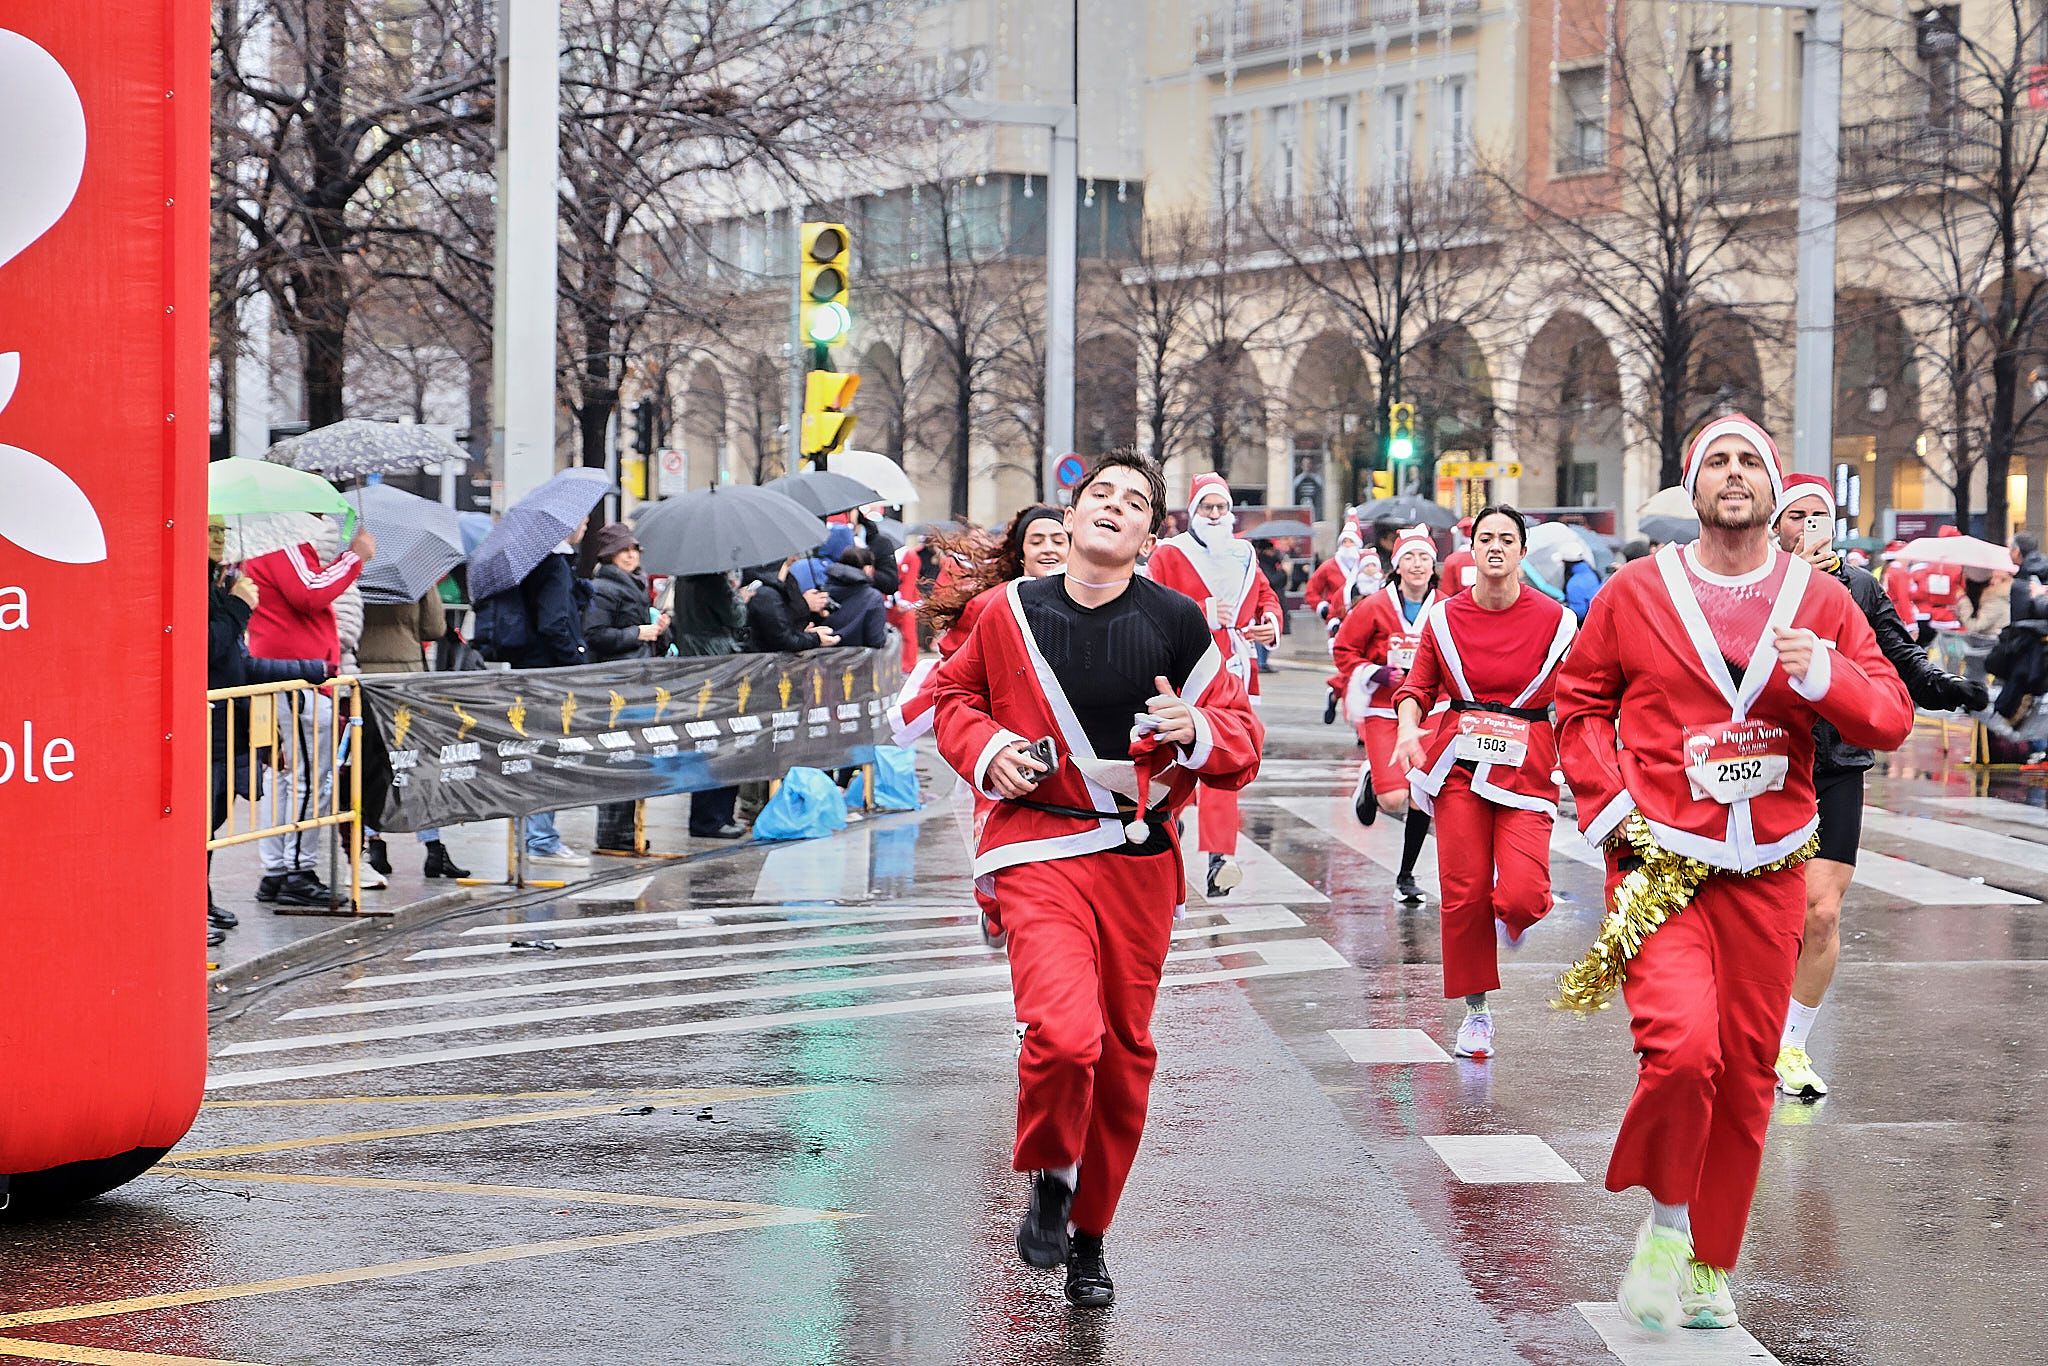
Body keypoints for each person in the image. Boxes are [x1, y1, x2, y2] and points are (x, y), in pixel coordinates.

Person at [1555, 414, 1913, 1333]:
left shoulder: (1821, 600)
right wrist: (1611, 803)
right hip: (1663, 865)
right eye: (1716, 460)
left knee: (1750, 1069)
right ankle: (1668, 1225)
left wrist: (1828, 676)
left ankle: (1713, 1262)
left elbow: (1889, 715)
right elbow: (1580, 705)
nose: (1733, 473)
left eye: (1749, 459)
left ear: (1773, 483)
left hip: (1770, 869)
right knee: (1682, 1051)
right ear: (1693, 486)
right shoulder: (1636, 591)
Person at [928, 451, 1262, 1309]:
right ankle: (1048, 1166)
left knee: (1122, 1058)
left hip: (1137, 861)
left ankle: (1092, 1236)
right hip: (1037, 850)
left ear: (1151, 534)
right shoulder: (1005, 613)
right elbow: (952, 703)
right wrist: (990, 749)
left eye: (1135, 502)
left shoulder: (1180, 623)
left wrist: (1197, 728)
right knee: (1064, 1038)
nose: (1114, 507)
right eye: (1099, 496)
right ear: (1069, 521)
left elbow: (1241, 743)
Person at [1764, 474, 1987, 1100]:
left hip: (1837, 758)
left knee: (1823, 909)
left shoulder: (1859, 585)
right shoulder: (1756, 585)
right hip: (1768, 761)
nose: (1808, 525)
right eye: (1796, 515)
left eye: (1819, 514)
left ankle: (1792, 1045)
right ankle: (1749, 1028)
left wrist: (1943, 686)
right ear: (1775, 525)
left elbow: (1897, 654)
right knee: (1769, 911)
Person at [1391, 507, 1575, 1058]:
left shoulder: (1558, 621)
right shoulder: (1445, 619)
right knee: (1464, 892)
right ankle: (1475, 1012)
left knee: (1521, 896)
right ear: (1471, 551)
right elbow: (1417, 687)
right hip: (1459, 765)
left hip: (1527, 764)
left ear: (1522, 552)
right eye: (1485, 538)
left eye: (1507, 539)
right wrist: (1406, 730)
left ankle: (1517, 916)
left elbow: (1580, 698)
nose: (1495, 547)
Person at [895, 505, 1069, 947]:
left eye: (1057, 539)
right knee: (995, 837)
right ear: (1020, 552)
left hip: (1067, 750)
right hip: (1000, 743)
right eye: (1037, 541)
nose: (1049, 548)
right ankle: (994, 910)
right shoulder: (994, 604)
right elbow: (954, 669)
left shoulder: (1098, 600)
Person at [1143, 472, 1281, 898]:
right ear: (1194, 511)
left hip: (1233, 671)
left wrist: (1268, 625)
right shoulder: (1170, 553)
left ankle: (1221, 857)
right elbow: (1151, 602)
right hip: (1186, 671)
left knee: (1227, 758)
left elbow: (1265, 596)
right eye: (1208, 507)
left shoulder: (1244, 554)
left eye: (1222, 507)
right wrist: (1201, 612)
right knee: (1177, 754)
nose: (1216, 515)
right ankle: (1167, 817)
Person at [242, 515, 374, 907]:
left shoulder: (265, 539)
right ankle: (297, 869)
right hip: (298, 675)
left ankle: (280, 869)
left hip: (289, 674)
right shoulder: (281, 539)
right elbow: (310, 593)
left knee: (286, 779)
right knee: (311, 780)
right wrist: (355, 557)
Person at [207, 518, 329, 942]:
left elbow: (238, 665)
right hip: (205, 726)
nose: (219, 540)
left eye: (222, 532)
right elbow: (205, 649)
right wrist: (240, 606)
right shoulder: (200, 589)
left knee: (213, 819)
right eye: (209, 531)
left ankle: (199, 900)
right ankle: (190, 906)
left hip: (229, 728)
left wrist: (305, 671)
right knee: (198, 823)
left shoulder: (220, 586)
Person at [1330, 526, 1440, 902]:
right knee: (1394, 800)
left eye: (1424, 557)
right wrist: (1373, 672)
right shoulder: (1375, 606)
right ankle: (1372, 783)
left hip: (1427, 713)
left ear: (1433, 564)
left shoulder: (1445, 607)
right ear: (1396, 565)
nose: (1417, 565)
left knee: (1420, 796)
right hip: (1383, 708)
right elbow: (1344, 649)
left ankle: (1406, 876)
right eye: (1409, 557)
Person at [358, 587, 467, 883]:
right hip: (406, 680)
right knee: (418, 765)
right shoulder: (413, 577)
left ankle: (374, 843)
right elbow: (434, 628)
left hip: (364, 679)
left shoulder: (355, 571)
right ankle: (433, 847)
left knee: (372, 769)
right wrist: (428, 589)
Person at [506, 517, 592, 866]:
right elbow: (554, 622)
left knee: (530, 753)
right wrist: (576, 659)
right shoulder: (554, 565)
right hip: (550, 676)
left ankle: (530, 835)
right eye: (583, 520)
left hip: (528, 671)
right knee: (548, 754)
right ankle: (541, 839)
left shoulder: (533, 561)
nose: (585, 525)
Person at [583, 523, 673, 854]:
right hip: (616, 686)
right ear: (609, 555)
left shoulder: (634, 583)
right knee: (618, 758)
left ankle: (625, 832)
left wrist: (659, 630)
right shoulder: (604, 587)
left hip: (634, 682)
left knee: (632, 758)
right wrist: (638, 633)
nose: (631, 554)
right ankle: (612, 834)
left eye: (634, 549)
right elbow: (595, 634)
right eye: (624, 550)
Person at [671, 569, 748, 840]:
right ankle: (714, 818)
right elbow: (737, 617)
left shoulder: (684, 578)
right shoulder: (715, 581)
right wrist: (738, 596)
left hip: (694, 664)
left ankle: (712, 816)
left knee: (706, 742)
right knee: (722, 743)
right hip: (718, 666)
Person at [746, 555, 839, 654]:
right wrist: (816, 639)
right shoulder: (765, 594)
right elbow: (781, 639)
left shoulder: (789, 579)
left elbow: (790, 622)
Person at [1558, 540, 1602, 621]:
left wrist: (1564, 608)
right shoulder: (1592, 573)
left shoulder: (1574, 583)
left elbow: (1579, 612)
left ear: (1566, 562)